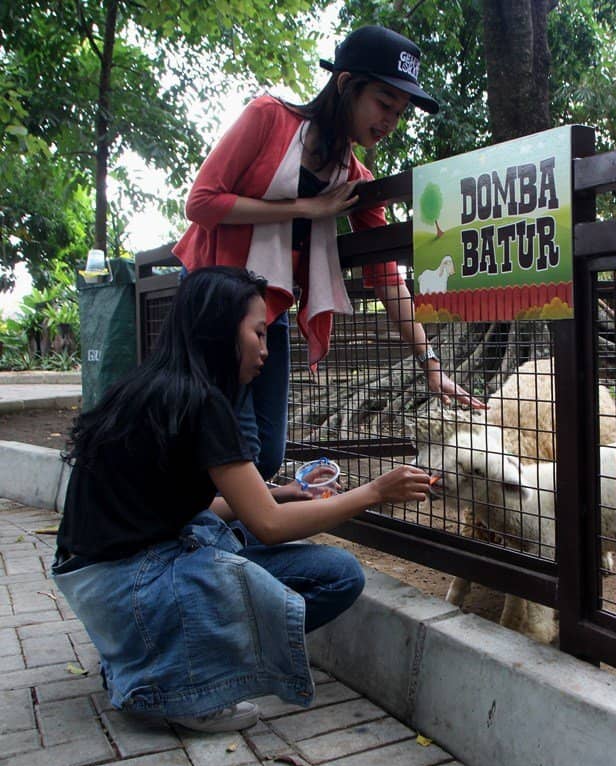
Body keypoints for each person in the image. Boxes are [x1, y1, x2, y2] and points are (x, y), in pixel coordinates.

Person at [52, 267, 432, 733]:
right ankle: (189, 684)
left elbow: (171, 509)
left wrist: (283, 492)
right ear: (220, 331)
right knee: (339, 576)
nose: (266, 350)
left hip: (97, 589)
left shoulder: (145, 387)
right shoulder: (204, 403)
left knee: (221, 530)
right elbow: (270, 526)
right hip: (134, 585)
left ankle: (139, 656)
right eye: (258, 333)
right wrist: (374, 492)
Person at [173, 24, 485, 482]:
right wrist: (305, 208)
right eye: (383, 103)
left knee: (268, 450)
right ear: (345, 84)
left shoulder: (355, 180)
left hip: (268, 306)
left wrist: (431, 365)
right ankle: (214, 523)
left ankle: (232, 521)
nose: (390, 122)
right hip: (212, 301)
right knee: (233, 440)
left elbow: (386, 277)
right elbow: (200, 203)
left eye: (399, 113)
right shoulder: (268, 118)